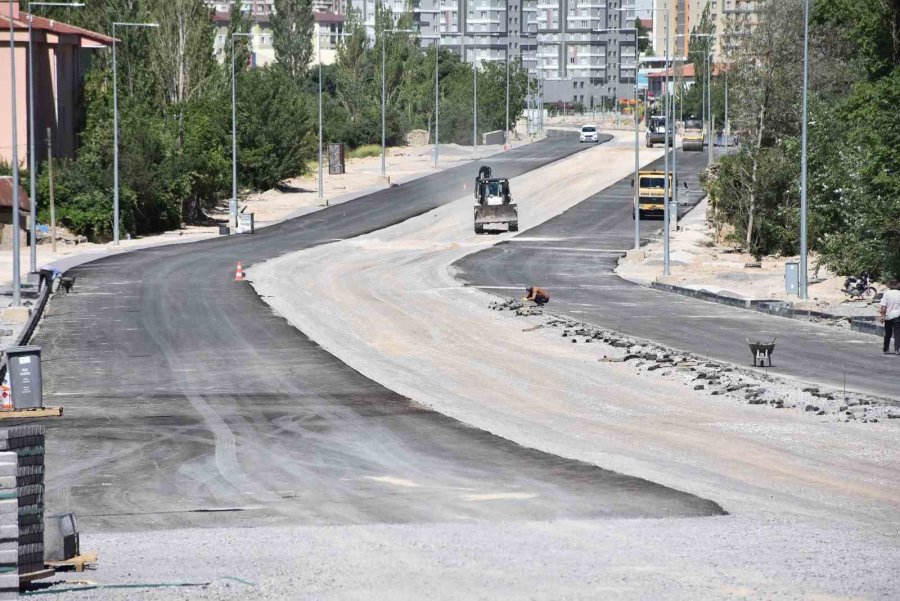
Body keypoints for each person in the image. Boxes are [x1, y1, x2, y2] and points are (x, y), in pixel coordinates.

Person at [879, 280, 900, 354]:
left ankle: (886, 348)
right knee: (897, 333)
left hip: (888, 316)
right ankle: (897, 350)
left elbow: (883, 306)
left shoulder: (886, 293)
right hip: (898, 315)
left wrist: (882, 316)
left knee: (888, 333)